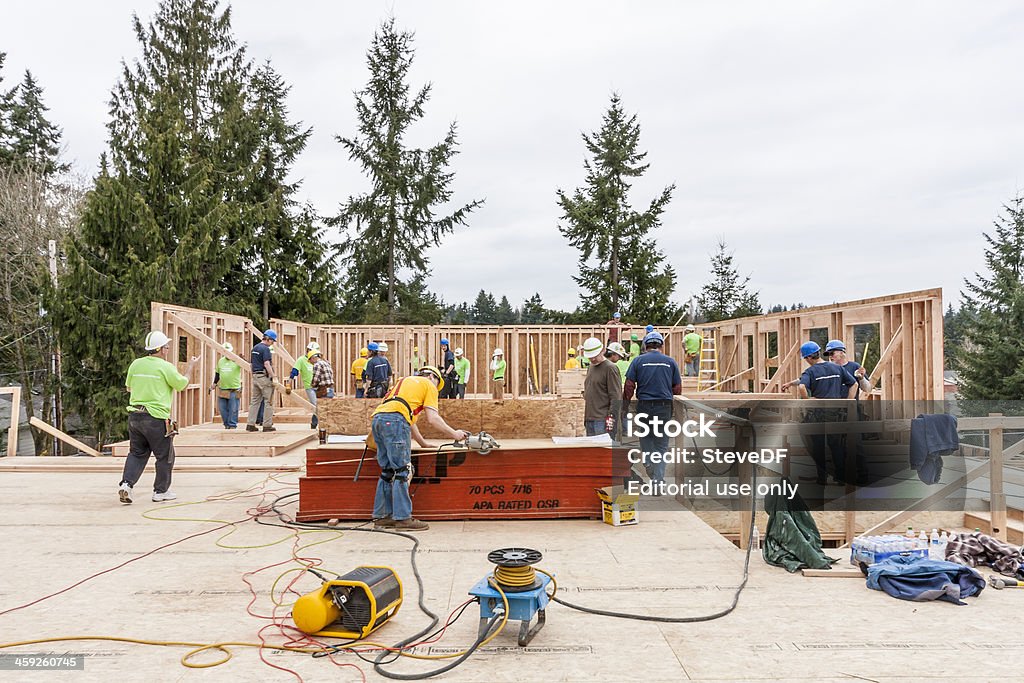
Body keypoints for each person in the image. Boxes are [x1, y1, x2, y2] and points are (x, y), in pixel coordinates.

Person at [370, 365, 470, 531]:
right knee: (403, 471)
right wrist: (455, 434)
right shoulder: (429, 384)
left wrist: (423, 443)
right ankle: (403, 519)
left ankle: (382, 516)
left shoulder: (403, 381)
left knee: (387, 471)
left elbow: (407, 420)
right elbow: (433, 418)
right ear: (433, 377)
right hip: (395, 422)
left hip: (378, 421)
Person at [118, 330, 198, 504]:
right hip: (155, 417)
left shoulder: (136, 364)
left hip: (135, 416)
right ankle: (160, 491)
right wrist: (190, 367)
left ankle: (126, 484)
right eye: (167, 347)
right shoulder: (165, 366)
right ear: (161, 349)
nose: (168, 349)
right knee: (165, 455)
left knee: (137, 453)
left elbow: (129, 388)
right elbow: (182, 385)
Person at [780, 341, 858, 485]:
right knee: (837, 446)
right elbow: (854, 384)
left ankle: (822, 478)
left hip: (818, 415)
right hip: (836, 414)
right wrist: (847, 402)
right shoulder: (837, 368)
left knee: (818, 447)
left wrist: (808, 401)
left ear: (809, 358)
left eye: (805, 359)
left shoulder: (810, 371)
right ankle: (840, 477)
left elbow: (803, 386)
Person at [623, 331, 682, 486]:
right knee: (662, 444)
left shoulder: (638, 361)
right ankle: (658, 479)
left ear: (645, 345)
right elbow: (677, 388)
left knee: (646, 438)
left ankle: (649, 465)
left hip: (644, 407)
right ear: (661, 345)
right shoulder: (670, 362)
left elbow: (629, 385)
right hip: (664, 407)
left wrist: (625, 405)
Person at [582, 337, 622, 439]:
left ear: (603, 350)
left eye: (595, 356)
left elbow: (616, 397)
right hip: (589, 418)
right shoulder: (591, 367)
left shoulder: (610, 368)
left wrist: (611, 420)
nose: (593, 359)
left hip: (602, 420)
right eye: (590, 357)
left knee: (603, 453)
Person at [246, 329, 278, 432]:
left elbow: (251, 364)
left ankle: (250, 424)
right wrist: (273, 376)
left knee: (255, 401)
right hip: (264, 378)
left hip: (255, 376)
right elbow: (267, 364)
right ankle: (267, 425)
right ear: (268, 339)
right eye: (272, 341)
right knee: (268, 401)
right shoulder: (265, 349)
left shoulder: (255, 348)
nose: (272, 343)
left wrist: (254, 375)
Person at [210, 341, 241, 429]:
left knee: (233, 409)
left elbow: (246, 365)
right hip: (223, 388)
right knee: (222, 409)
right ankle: (226, 424)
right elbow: (217, 374)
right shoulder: (221, 361)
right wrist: (214, 383)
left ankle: (232, 425)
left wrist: (243, 359)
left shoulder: (236, 360)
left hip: (234, 389)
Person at [309, 350, 335, 429]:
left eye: (311, 361)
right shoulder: (326, 363)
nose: (311, 363)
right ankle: (328, 426)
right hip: (330, 388)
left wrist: (313, 385)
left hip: (323, 389)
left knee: (320, 408)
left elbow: (316, 378)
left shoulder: (317, 365)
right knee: (327, 408)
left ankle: (315, 424)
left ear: (313, 358)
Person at [290, 341, 318, 419]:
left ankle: (314, 423)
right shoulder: (301, 360)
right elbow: (294, 372)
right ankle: (316, 423)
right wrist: (288, 384)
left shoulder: (316, 360)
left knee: (320, 405)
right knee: (315, 405)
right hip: (309, 387)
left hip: (319, 386)